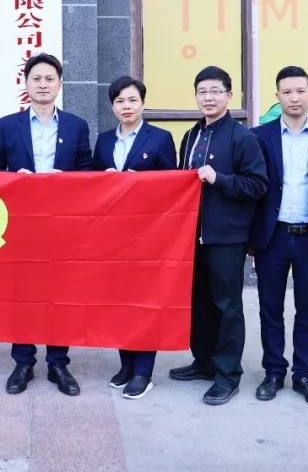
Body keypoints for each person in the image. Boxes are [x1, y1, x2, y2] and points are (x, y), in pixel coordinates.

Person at [0, 52, 93, 396]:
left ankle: (58, 363)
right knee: (24, 293)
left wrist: (68, 180)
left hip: (63, 225)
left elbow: (89, 173)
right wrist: (13, 179)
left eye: (49, 79)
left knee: (61, 293)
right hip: (21, 224)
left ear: (59, 84)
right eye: (36, 79)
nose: (43, 85)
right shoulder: (7, 126)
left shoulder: (76, 126)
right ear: (26, 84)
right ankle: (23, 361)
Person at [168, 66, 268, 406]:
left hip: (227, 237)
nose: (208, 98)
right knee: (199, 302)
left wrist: (219, 179)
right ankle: (204, 362)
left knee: (227, 307)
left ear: (229, 95)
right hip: (192, 235)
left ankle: (228, 375)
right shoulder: (191, 135)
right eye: (202, 92)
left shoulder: (242, 137)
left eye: (215, 91)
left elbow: (258, 185)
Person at [251, 66, 308, 410]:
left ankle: (303, 374)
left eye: (300, 91)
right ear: (277, 96)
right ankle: (273, 372)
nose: (294, 98)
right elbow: (255, 191)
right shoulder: (259, 136)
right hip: (272, 237)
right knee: (270, 309)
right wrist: (251, 239)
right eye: (287, 92)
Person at [92, 75, 179, 401]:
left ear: (143, 103)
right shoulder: (104, 141)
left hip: (149, 235)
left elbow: (172, 185)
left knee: (145, 302)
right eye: (119, 101)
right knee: (119, 301)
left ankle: (144, 370)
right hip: (113, 237)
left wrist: (139, 184)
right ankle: (126, 364)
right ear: (112, 106)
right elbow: (90, 185)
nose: (126, 107)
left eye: (132, 100)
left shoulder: (160, 138)